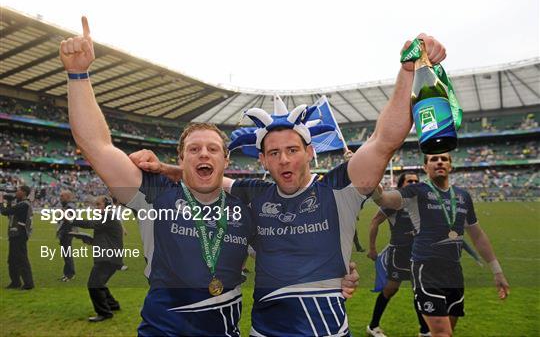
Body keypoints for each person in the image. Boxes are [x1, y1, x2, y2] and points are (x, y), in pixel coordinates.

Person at [130, 33, 448, 335]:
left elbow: (384, 141)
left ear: (309, 151)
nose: (284, 160)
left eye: (292, 150)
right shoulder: (253, 193)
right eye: (274, 153)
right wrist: (163, 167)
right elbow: (207, 177)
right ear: (263, 160)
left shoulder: (339, 189)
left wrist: (408, 72)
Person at [59, 18, 358, 336]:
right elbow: (97, 146)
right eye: (194, 149)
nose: (203, 154)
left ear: (226, 160)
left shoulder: (247, 208)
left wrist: (338, 273)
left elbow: (294, 250)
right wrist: (78, 74)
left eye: (213, 149)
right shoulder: (154, 195)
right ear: (181, 158)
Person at [371, 153, 510, 337]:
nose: (439, 162)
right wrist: (366, 171)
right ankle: (376, 325)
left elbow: (477, 235)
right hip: (426, 269)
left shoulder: (463, 196)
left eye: (444, 159)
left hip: (453, 271)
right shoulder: (416, 191)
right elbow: (382, 199)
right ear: (425, 167)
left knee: (448, 331)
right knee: (442, 333)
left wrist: (497, 271)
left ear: (451, 166)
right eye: (434, 159)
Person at [366, 171, 430, 337]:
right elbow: (374, 222)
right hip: (399, 254)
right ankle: (373, 326)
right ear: (401, 184)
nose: (414, 183)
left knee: (419, 291)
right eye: (410, 181)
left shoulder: (421, 203)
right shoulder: (395, 203)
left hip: (418, 254)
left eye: (416, 181)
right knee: (390, 290)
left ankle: (424, 330)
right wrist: (372, 248)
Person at [71, 195, 123, 322]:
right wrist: (89, 240)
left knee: (93, 285)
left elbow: (90, 224)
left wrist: (71, 219)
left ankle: (104, 313)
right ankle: (113, 305)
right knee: (99, 283)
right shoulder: (106, 217)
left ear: (107, 206)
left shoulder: (107, 216)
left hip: (107, 258)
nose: (95, 208)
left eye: (98, 205)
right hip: (110, 257)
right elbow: (105, 238)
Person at [0, 185, 34, 290]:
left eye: (18, 190)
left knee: (21, 259)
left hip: (19, 235)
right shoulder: (22, 204)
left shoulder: (24, 204)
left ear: (23, 192)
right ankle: (15, 282)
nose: (16, 192)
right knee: (12, 260)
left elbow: (5, 212)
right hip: (15, 234)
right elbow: (10, 212)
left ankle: (28, 283)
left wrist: (1, 202)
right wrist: (9, 201)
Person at [57, 189, 76, 281]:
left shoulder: (69, 206)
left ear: (67, 197)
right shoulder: (66, 206)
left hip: (67, 232)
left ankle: (70, 274)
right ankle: (66, 273)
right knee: (65, 254)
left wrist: (62, 214)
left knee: (67, 254)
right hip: (65, 232)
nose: (60, 198)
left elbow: (69, 218)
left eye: (62, 196)